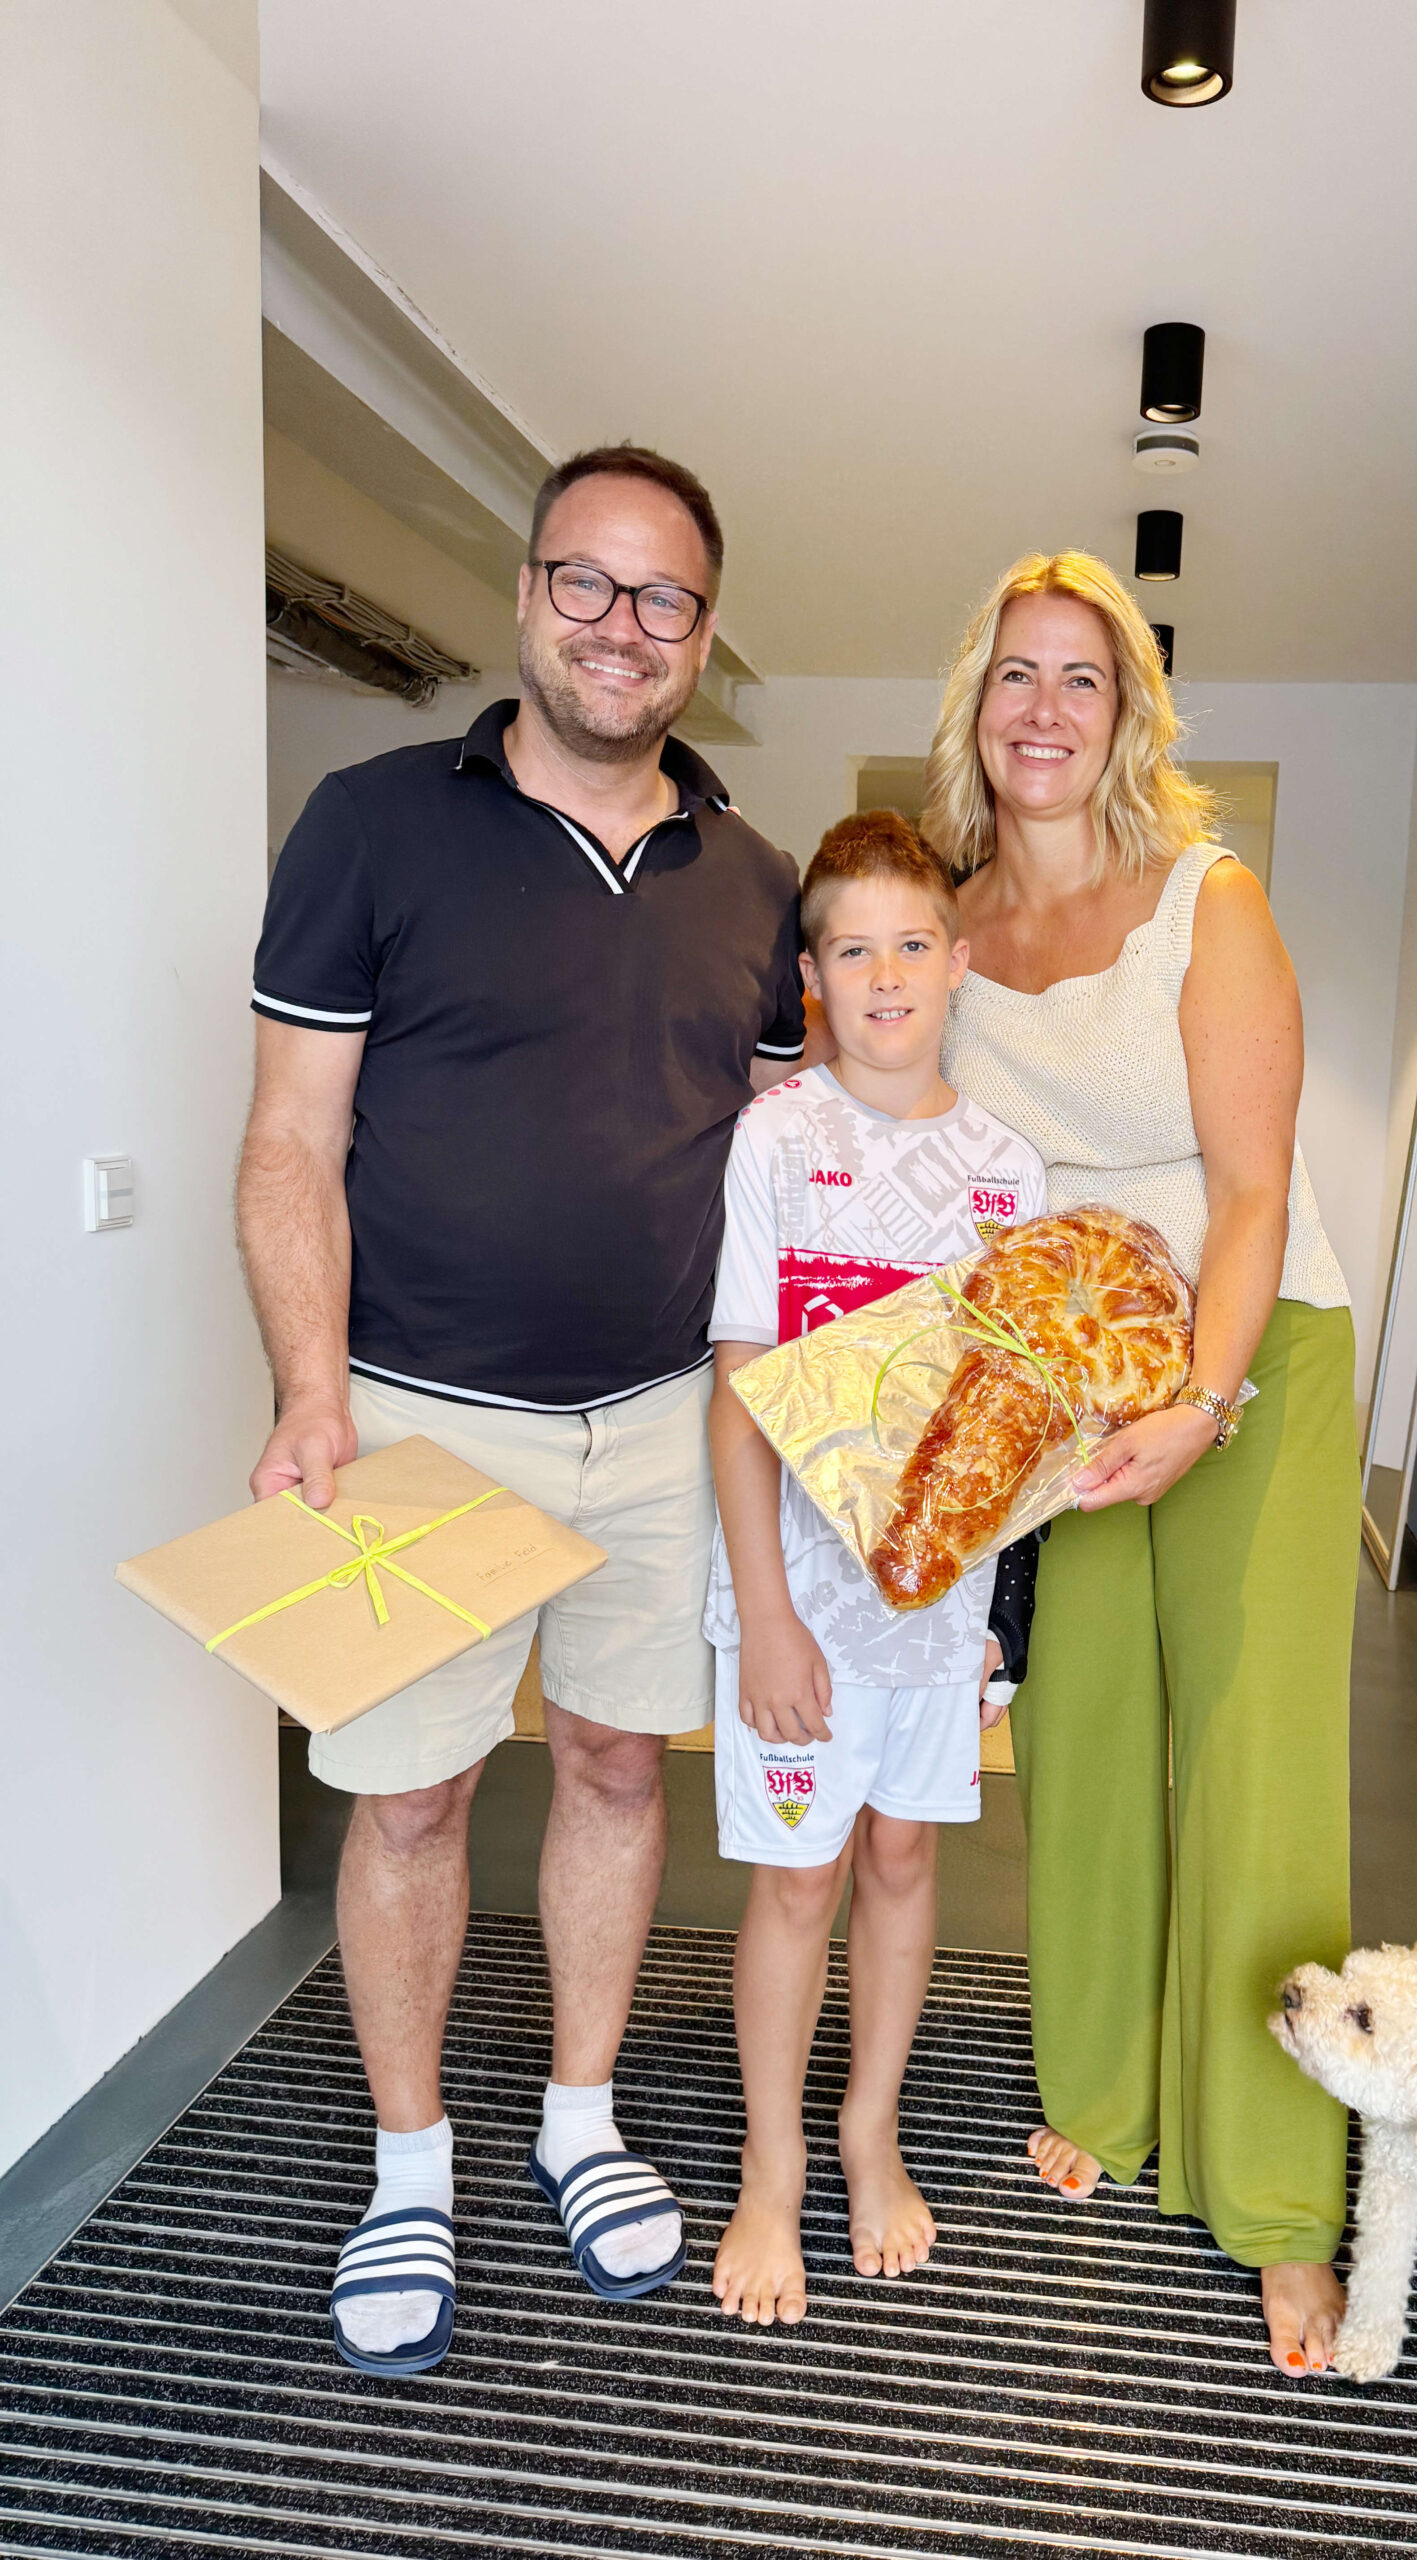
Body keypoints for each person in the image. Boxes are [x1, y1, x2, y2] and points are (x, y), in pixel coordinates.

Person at [237, 444, 809, 2376]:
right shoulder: (371, 824)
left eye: (664, 598)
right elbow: (289, 1141)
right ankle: (410, 2165)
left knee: (623, 1771)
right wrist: (310, 1393)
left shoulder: (759, 881)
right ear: (526, 593)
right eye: (588, 581)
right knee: (412, 1795)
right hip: (419, 1418)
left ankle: (580, 2115)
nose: (620, 626)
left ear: (704, 634)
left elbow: (797, 1163)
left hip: (664, 1418)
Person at [924, 552, 1360, 2376]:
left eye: (1081, 680)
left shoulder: (1207, 900)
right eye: (1015, 675)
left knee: (1251, 1761)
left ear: (1128, 719)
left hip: (1256, 1358)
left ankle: (1277, 2202)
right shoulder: (942, 927)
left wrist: (1203, 1401)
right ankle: (1104, 2087)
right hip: (1067, 1383)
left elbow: (1250, 1191)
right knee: (1088, 1733)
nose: (1043, 709)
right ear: (975, 706)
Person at [703, 812, 1047, 2327]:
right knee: (800, 1880)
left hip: (938, 1613)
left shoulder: (1008, 1171)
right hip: (795, 1608)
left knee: (903, 1859)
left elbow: (1014, 1426)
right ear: (812, 977)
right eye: (854, 950)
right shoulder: (777, 1141)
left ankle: (868, 2131)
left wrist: (1001, 1623)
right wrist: (767, 1615)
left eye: (914, 944)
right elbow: (741, 1396)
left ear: (960, 964)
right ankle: (773, 2165)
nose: (888, 975)